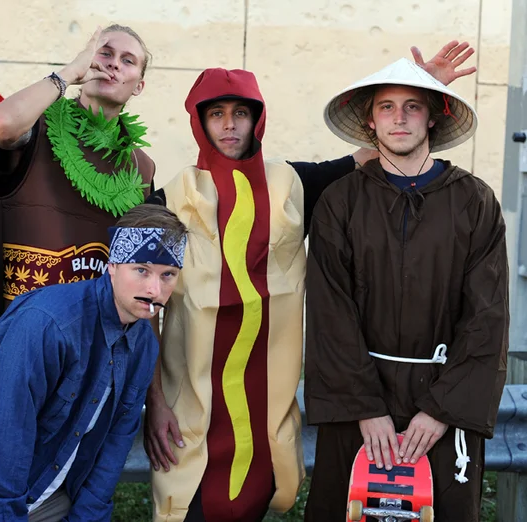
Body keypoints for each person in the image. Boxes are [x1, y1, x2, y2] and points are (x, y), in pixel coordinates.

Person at [142, 41, 478, 522]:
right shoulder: (169, 199)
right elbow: (142, 310)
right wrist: (153, 402)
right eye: (217, 114)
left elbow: (372, 152)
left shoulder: (291, 185)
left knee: (252, 502)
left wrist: (424, 87)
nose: (231, 124)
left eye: (241, 113)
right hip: (191, 406)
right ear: (199, 121)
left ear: (258, 119)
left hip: (264, 411)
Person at [303, 57, 509, 521]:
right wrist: (364, 407)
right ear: (369, 120)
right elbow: (329, 312)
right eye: (387, 106)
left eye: (412, 106)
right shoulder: (341, 201)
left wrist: (441, 410)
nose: (399, 117)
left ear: (432, 116)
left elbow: (487, 316)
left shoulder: (474, 201)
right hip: (360, 407)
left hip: (442, 407)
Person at [0, 204, 187, 522]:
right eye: (142, 270)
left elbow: (115, 443)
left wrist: (88, 516)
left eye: (167, 275)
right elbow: (6, 433)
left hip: (41, 492)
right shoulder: (50, 323)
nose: (154, 290)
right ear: (113, 265)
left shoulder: (144, 345)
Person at [0, 25, 155, 315]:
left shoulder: (142, 168)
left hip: (95, 342)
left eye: (128, 60)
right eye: (105, 53)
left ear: (138, 85)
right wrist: (68, 74)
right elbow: (2, 125)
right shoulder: (36, 126)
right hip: (19, 334)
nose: (114, 63)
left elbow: (143, 272)